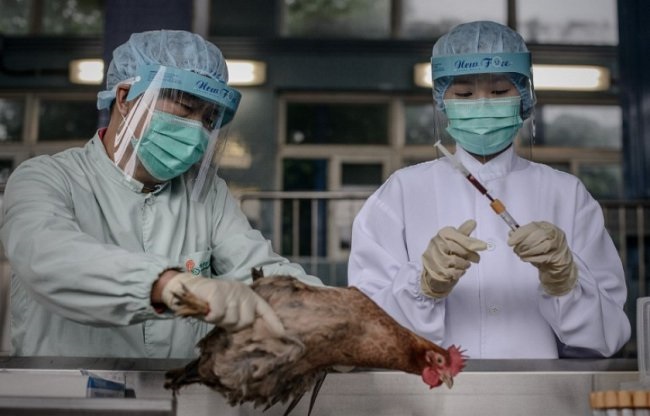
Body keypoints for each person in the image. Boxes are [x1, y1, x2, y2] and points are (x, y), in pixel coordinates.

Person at [0, 30, 322, 358]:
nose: (197, 129)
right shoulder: (46, 178)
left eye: (209, 119)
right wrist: (170, 286)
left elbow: (259, 268)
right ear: (125, 98)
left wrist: (332, 315)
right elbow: (49, 257)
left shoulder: (206, 193)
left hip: (176, 395)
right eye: (184, 109)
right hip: (66, 394)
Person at [347, 21, 630, 359]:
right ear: (442, 100)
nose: (481, 104)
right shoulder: (399, 194)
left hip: (540, 400)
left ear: (524, 97)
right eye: (464, 94)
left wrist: (565, 283)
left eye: (498, 92)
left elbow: (609, 338)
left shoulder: (566, 194)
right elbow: (365, 330)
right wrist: (421, 286)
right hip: (428, 404)